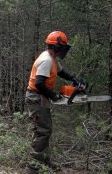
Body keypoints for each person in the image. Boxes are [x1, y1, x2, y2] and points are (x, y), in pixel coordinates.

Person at [25, 31, 87, 173]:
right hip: (36, 97)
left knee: (45, 129)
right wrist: (53, 95)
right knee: (43, 131)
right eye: (62, 47)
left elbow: (61, 72)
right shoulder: (46, 60)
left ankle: (43, 160)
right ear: (56, 47)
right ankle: (33, 167)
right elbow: (40, 83)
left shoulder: (52, 59)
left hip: (40, 97)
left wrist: (74, 80)